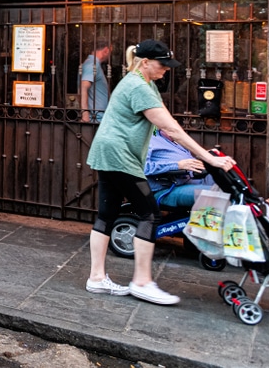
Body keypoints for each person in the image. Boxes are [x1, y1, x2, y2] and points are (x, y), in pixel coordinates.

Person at [85, 39, 235, 306]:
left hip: (106, 152)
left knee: (106, 214)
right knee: (150, 214)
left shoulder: (142, 83)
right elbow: (173, 129)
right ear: (145, 63)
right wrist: (207, 158)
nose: (167, 69)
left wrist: (202, 154)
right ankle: (142, 282)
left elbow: (168, 126)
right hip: (120, 156)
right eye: (162, 65)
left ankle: (96, 277)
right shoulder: (139, 87)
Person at [143, 128, 214, 208]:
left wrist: (206, 156)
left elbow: (186, 162)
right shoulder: (147, 139)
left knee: (228, 185)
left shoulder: (172, 140)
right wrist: (177, 165)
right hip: (168, 188)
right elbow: (145, 168)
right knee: (221, 195)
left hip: (196, 179)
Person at [80, 40, 112, 123]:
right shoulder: (92, 64)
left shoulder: (93, 64)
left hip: (97, 118)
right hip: (94, 119)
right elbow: (84, 87)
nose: (110, 55)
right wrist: (85, 115)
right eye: (110, 51)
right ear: (106, 50)